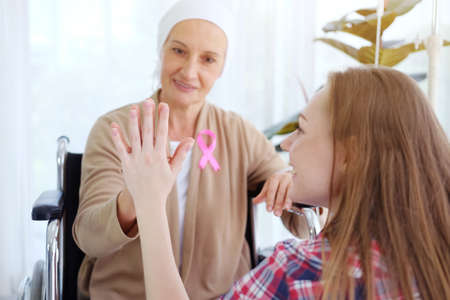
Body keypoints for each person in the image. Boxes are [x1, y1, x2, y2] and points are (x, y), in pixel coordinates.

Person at [112, 66, 450, 299]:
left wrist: (149, 202)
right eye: (179, 51)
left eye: (301, 129)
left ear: (351, 154)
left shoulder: (298, 273)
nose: (287, 144)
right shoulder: (434, 258)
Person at [72, 0, 307, 299]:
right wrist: (139, 197)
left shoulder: (239, 134)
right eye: (179, 51)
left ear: (222, 67)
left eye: (208, 59)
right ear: (161, 49)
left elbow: (301, 222)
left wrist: (292, 185)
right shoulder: (114, 131)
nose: (189, 71)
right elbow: (90, 238)